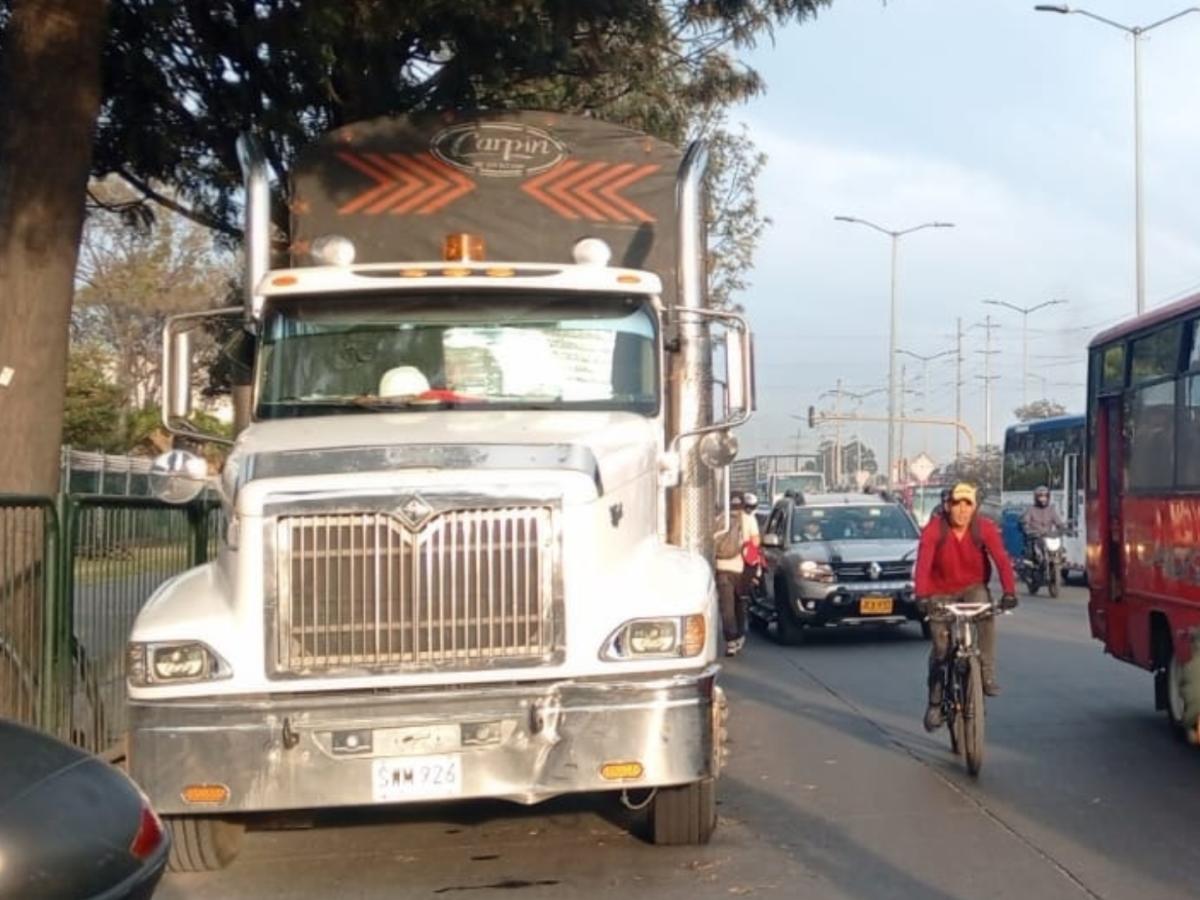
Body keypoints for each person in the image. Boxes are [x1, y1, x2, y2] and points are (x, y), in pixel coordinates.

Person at [914, 482, 1018, 732]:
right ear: (948, 505)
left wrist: (1009, 591)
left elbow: (1002, 560)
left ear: (975, 508)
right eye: (957, 504)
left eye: (967, 505)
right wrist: (921, 596)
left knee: (986, 613)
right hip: (939, 591)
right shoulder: (934, 530)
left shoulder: (985, 528)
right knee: (941, 649)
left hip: (972, 587)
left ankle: (986, 674)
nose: (962, 510)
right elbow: (923, 566)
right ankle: (936, 703)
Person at [714, 494, 758, 657]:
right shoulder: (748, 519)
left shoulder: (719, 519)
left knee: (726, 606)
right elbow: (755, 543)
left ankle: (730, 641)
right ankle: (740, 635)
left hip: (722, 567)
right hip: (741, 569)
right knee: (740, 603)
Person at [1021, 485, 1065, 550]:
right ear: (1036, 498)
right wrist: (1028, 530)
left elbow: (1058, 521)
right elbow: (1025, 522)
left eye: (1045, 496)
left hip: (1049, 537)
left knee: (1061, 550)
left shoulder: (1051, 509)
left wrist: (1062, 527)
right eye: (1041, 497)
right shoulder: (1031, 509)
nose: (1043, 499)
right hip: (1036, 539)